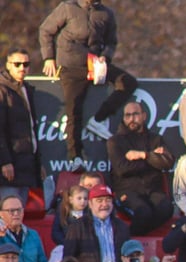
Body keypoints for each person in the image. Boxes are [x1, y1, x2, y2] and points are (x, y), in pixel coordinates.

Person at [37, 0, 137, 163]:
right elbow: (45, 30)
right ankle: (75, 156)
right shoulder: (68, 8)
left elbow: (111, 41)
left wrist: (106, 56)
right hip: (71, 66)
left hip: (96, 64)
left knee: (128, 82)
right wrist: (48, 58)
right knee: (74, 110)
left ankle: (98, 119)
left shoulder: (106, 13)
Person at [106, 102, 175, 235]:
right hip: (127, 192)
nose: (131, 119)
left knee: (166, 208)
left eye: (135, 114)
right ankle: (128, 243)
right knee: (143, 212)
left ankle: (137, 239)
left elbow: (167, 162)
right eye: (128, 115)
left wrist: (143, 155)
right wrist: (153, 159)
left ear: (144, 116)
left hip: (153, 191)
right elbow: (122, 168)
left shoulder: (156, 139)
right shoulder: (114, 141)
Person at [60, 184, 128, 262]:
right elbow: (68, 259)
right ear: (90, 204)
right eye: (99, 200)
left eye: (108, 200)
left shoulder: (122, 227)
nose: (104, 204)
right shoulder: (77, 227)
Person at [0, 50, 40, 203]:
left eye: (26, 64)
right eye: (17, 64)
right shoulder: (2, 90)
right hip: (9, 167)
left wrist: (38, 164)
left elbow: (31, 129)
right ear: (8, 66)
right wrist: (4, 161)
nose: (22, 68)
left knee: (19, 213)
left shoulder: (26, 89)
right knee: (7, 213)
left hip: (26, 164)